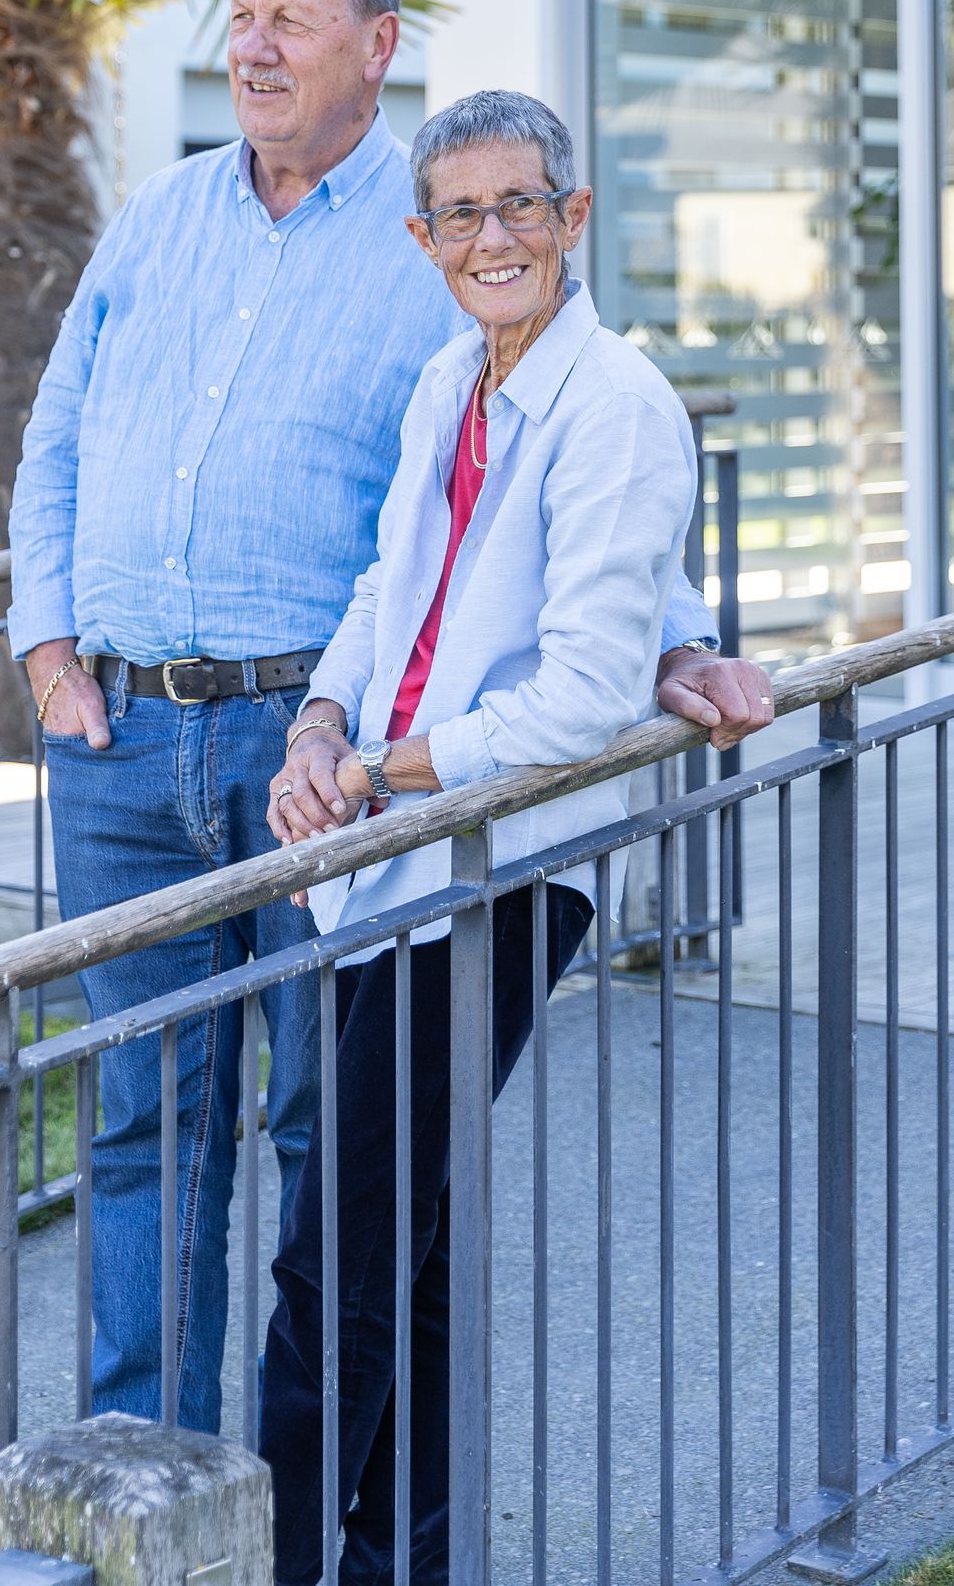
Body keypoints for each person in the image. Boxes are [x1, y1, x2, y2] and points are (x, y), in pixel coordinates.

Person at [8, 0, 774, 1431]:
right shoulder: (157, 217)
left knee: (332, 1144)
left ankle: (329, 1513)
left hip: (312, 760)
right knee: (140, 1127)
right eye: (241, 17)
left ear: (377, 46)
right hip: (118, 748)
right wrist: (43, 646)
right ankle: (158, 1484)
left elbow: (537, 450)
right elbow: (57, 436)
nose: (254, 45)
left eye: (292, 20)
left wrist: (672, 634)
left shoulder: (435, 239)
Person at [261, 87, 701, 1586]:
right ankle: (402, 1563)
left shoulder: (621, 408)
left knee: (337, 1257)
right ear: (424, 237)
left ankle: (270, 1560)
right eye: (462, 214)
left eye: (524, 206)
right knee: (408, 1245)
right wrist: (323, 728)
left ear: (574, 220)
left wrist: (388, 768)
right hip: (393, 843)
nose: (493, 236)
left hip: (503, 866)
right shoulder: (450, 378)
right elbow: (389, 590)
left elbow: (583, 691)